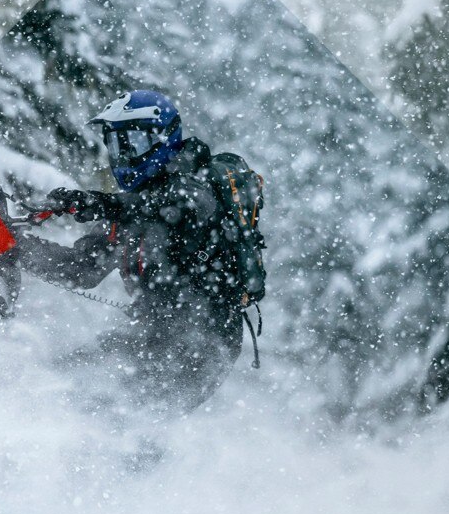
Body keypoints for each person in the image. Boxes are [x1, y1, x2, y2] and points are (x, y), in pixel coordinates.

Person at [17, 90, 266, 413]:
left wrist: (95, 202)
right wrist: (12, 245)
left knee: (109, 415)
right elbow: (81, 268)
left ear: (163, 138)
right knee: (57, 380)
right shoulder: (130, 212)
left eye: (134, 142)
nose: (124, 156)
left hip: (202, 344)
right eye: (116, 145)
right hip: (153, 336)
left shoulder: (193, 186)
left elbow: (165, 205)